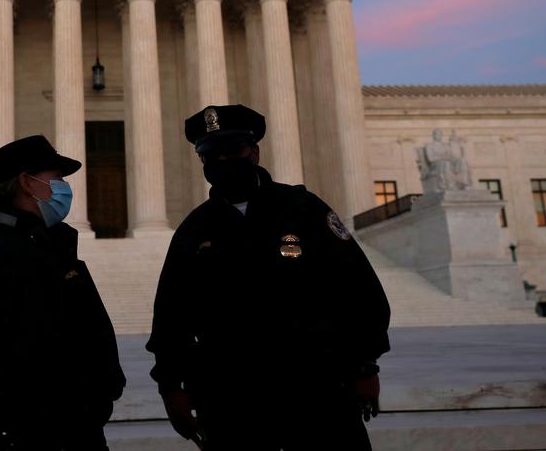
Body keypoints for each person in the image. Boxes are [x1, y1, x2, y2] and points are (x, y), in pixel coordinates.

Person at [146, 104, 391, 450]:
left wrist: (366, 365)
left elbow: (358, 288)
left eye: (233, 150)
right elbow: (172, 317)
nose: (224, 161)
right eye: (211, 154)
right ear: (202, 162)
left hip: (318, 388)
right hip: (233, 400)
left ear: (255, 151)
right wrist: (172, 387)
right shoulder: (194, 230)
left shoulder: (304, 209)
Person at [0, 135, 126, 450]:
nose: (64, 186)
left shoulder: (40, 246)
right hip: (47, 431)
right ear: (27, 182)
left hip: (64, 425)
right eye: (57, 178)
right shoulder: (14, 255)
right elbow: (31, 353)